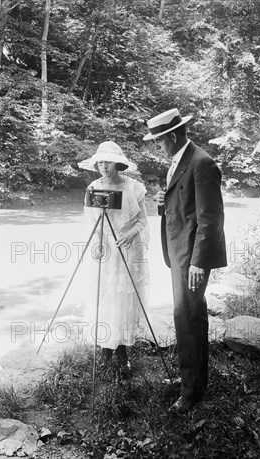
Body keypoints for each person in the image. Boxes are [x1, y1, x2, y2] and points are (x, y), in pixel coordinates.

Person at [143, 108, 227, 414]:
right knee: (192, 314)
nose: (158, 147)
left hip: (192, 256)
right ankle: (196, 381)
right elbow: (186, 205)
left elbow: (211, 219)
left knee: (185, 315)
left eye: (160, 141)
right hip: (180, 252)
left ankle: (191, 391)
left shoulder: (202, 163)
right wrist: (164, 205)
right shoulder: (180, 160)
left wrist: (198, 263)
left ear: (174, 136)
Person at [79, 141, 150, 376]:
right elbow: (91, 223)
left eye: (107, 162)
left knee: (123, 298)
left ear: (118, 164)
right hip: (105, 250)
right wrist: (98, 243)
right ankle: (104, 350)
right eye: (100, 162)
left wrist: (130, 234)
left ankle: (121, 352)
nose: (103, 166)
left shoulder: (134, 188)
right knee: (104, 296)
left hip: (127, 249)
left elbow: (142, 221)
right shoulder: (94, 187)